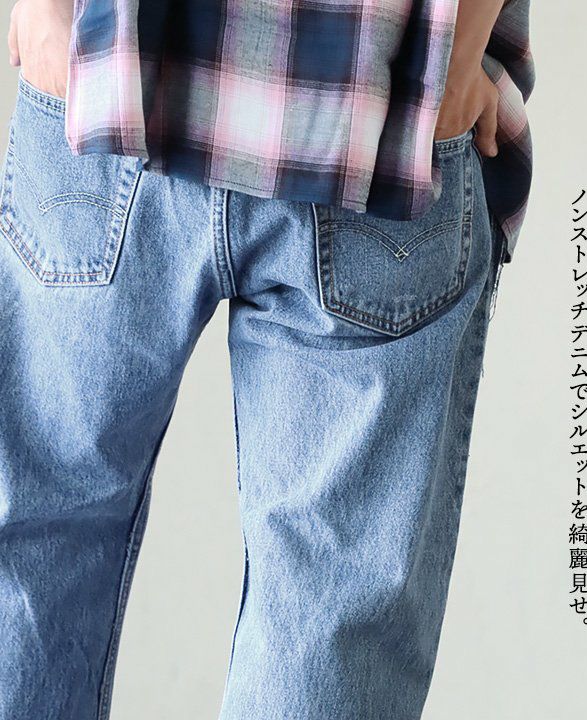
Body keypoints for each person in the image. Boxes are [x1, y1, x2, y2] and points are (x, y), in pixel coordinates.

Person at [0, 0, 533, 718]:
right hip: (375, 98)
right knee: (332, 602)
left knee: (33, 541)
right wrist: (456, 55)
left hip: (118, 77)